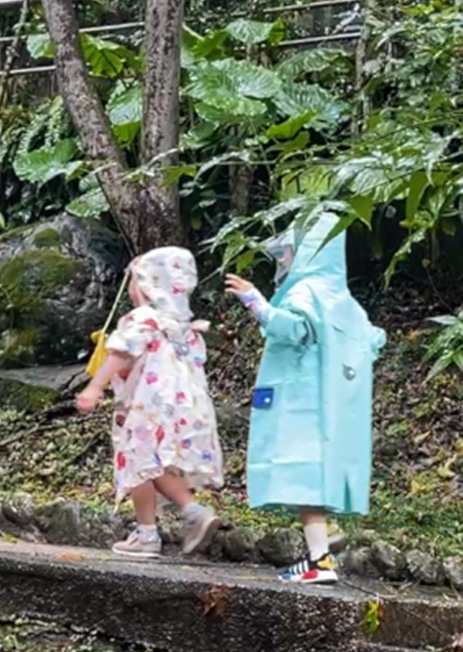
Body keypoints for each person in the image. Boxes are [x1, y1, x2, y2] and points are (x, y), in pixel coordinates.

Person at [225, 214, 385, 584]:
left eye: (288, 252)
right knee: (314, 480)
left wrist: (255, 303)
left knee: (305, 480)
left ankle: (320, 561)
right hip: (333, 411)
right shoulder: (344, 302)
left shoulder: (306, 293)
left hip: (302, 406)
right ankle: (321, 550)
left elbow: (293, 328)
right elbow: (373, 342)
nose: (282, 260)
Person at [77, 247, 223, 558]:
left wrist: (94, 387)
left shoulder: (143, 318)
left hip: (149, 408)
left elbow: (120, 353)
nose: (129, 287)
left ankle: (161, 528)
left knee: (138, 463)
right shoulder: (183, 327)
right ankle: (172, 521)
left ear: (147, 283)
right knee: (154, 464)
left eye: (133, 279)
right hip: (185, 410)